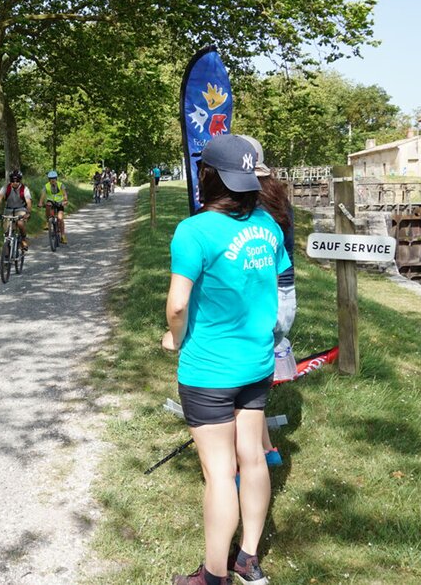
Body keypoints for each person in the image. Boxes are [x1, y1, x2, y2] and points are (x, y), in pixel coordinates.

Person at [162, 134, 290, 585]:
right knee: (252, 460)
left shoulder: (194, 231)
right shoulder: (269, 226)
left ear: (207, 177)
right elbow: (275, 287)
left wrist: (174, 338)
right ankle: (248, 558)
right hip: (256, 365)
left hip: (209, 370)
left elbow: (178, 305)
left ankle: (213, 575)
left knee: (221, 474)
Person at [241, 136, 297, 469]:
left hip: (261, 295)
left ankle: (246, 461)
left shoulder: (249, 207)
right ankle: (269, 449)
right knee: (256, 377)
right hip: (285, 294)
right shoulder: (280, 200)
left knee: (243, 382)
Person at [0, 170, 32, 251]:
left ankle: (23, 239)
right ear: (10, 180)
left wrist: (28, 213)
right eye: (13, 180)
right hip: (8, 210)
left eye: (17, 180)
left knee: (20, 223)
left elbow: (29, 202)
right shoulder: (6, 188)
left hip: (21, 209)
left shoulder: (24, 189)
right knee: (7, 230)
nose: (15, 182)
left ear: (20, 180)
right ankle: (7, 250)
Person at [38, 170, 69, 244]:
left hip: (60, 202)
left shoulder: (61, 185)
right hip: (51, 201)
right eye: (51, 179)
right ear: (49, 179)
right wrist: (40, 203)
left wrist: (65, 201)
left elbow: (64, 194)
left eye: (54, 178)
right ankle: (47, 221)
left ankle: (63, 236)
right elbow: (43, 195)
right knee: (48, 205)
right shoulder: (46, 186)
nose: (52, 180)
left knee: (60, 219)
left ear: (56, 178)